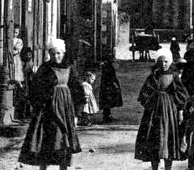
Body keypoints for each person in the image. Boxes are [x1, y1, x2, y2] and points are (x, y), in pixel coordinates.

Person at [18, 38, 83, 170]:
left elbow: (78, 90)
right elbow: (35, 89)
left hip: (65, 110)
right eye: (53, 53)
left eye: (58, 53)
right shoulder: (45, 68)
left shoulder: (70, 68)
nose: (56, 56)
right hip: (47, 110)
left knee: (63, 139)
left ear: (63, 53)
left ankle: (63, 167)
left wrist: (77, 112)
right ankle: (43, 168)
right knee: (46, 139)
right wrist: (39, 105)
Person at [135, 50, 189, 170]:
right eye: (161, 61)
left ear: (170, 62)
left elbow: (182, 95)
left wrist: (180, 111)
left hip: (170, 112)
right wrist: (150, 104)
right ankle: (155, 166)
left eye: (166, 61)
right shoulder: (153, 76)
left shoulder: (174, 76)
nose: (163, 64)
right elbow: (144, 93)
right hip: (154, 113)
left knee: (169, 138)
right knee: (154, 139)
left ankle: (168, 167)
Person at [99, 54, 123, 123]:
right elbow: (111, 78)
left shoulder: (106, 66)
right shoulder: (108, 67)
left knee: (107, 101)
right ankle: (106, 116)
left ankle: (107, 114)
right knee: (108, 100)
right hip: (108, 86)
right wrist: (115, 85)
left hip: (106, 86)